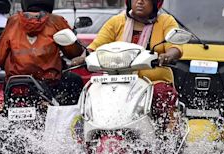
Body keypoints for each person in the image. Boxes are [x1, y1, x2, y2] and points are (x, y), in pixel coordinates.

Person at [73, 0, 182, 130]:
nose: (140, 2)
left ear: (155, 3)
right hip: (114, 80)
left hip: (153, 82)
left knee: (162, 93)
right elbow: (96, 45)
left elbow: (175, 46)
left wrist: (168, 55)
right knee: (92, 95)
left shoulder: (166, 21)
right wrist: (83, 58)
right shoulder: (116, 21)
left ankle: (167, 134)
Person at [0, 0, 84, 105]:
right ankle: (68, 119)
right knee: (75, 81)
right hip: (49, 82)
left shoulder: (13, 21)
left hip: (16, 82)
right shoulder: (56, 21)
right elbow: (73, 51)